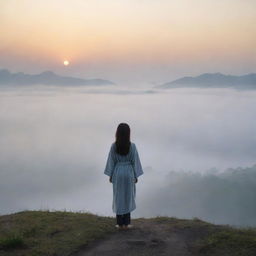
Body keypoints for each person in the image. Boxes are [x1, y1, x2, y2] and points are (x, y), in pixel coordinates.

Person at [104, 123, 143, 230]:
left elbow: (111, 161)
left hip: (118, 172)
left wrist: (111, 175)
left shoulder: (114, 146)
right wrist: (136, 175)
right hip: (129, 172)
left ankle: (119, 223)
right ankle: (127, 223)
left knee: (118, 197)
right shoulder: (132, 146)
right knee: (128, 196)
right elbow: (135, 161)